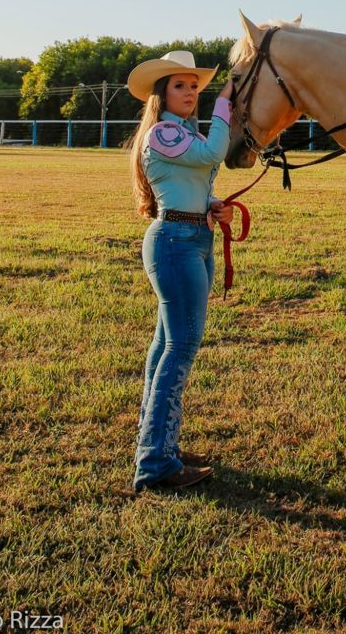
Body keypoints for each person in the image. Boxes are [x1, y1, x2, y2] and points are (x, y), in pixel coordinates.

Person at [125, 49, 235, 494]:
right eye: (180, 86)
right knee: (180, 347)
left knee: (165, 346)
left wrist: (210, 206)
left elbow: (187, 183)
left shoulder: (178, 133)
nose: (191, 93)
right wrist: (227, 100)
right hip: (175, 244)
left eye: (195, 87)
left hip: (191, 237)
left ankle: (158, 448)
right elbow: (215, 151)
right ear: (162, 94)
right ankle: (155, 464)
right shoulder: (162, 134)